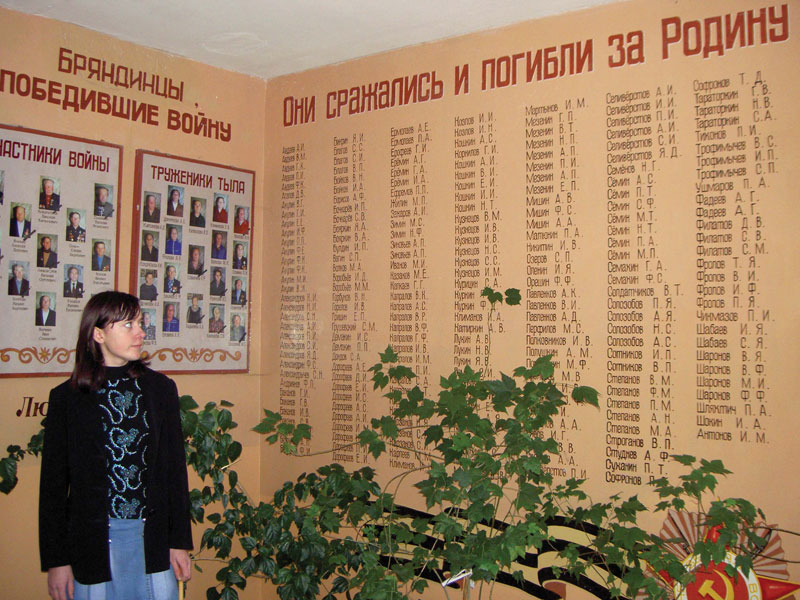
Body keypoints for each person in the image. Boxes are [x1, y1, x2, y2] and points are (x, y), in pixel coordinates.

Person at [39, 291, 192, 600]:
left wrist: (179, 542)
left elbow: (175, 472)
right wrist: (57, 561)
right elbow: (53, 487)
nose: (140, 332)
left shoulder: (160, 390)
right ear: (98, 334)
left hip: (151, 538)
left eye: (140, 323)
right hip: (93, 541)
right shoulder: (67, 398)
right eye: (128, 325)